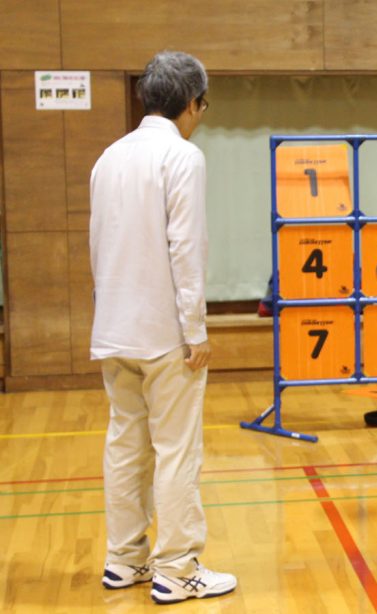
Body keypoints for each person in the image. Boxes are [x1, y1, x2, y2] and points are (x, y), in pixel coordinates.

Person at [90, 50, 237, 604]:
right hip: (165, 336)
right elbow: (187, 249)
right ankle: (177, 567)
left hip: (116, 329)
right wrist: (195, 332)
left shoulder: (108, 157)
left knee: (126, 446)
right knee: (177, 449)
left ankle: (123, 561)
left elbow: (98, 243)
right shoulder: (182, 158)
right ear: (193, 104)